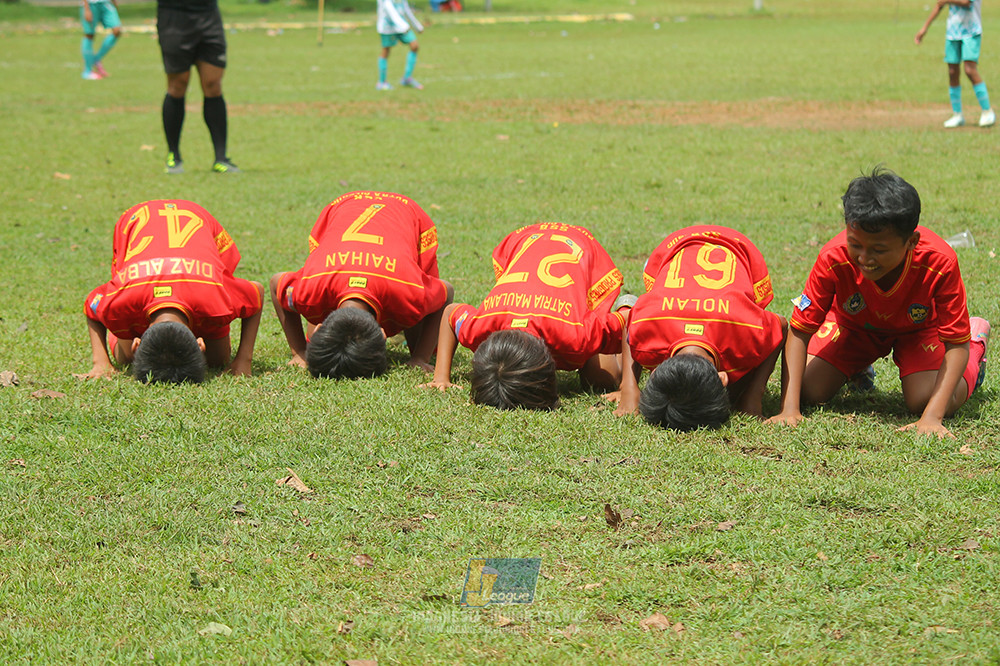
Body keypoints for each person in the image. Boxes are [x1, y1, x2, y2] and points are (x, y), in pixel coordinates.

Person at [767, 167, 991, 438]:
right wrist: (789, 409)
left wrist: (932, 417)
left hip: (919, 330)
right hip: (853, 328)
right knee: (808, 389)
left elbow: (955, 342)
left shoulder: (939, 261)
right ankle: (857, 369)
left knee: (923, 398)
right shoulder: (832, 257)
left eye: (879, 250)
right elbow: (800, 330)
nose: (864, 258)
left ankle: (976, 343)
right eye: (855, 245)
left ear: (911, 242)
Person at [421, 223, 631, 411]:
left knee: (603, 379)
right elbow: (450, 313)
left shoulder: (576, 335)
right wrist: (441, 377)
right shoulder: (482, 327)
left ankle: (628, 301)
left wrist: (626, 388)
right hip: (525, 239)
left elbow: (629, 321)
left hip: (579, 245)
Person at [608, 226, 787, 431]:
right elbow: (632, 321)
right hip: (677, 248)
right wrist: (628, 388)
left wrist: (752, 395)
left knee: (740, 384)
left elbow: (781, 326)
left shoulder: (746, 327)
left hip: (739, 249)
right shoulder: (649, 323)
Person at [270, 191, 453, 379]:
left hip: (406, 211)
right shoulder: (309, 289)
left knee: (418, 322)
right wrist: (300, 352)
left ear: (383, 334)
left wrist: (420, 356)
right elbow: (277, 284)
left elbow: (446, 292)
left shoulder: (409, 293)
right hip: (343, 207)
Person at [79, 199, 265, 383]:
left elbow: (257, 291)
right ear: (200, 343)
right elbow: (91, 305)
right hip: (138, 225)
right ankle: (126, 336)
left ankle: (131, 335)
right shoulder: (121, 301)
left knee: (218, 359)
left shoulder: (217, 298)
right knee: (128, 357)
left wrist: (244, 360)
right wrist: (101, 362)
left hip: (194, 221)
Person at [157, 0, 238, 174]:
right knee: (177, 85)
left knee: (213, 84)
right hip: (174, 16)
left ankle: (221, 158)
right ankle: (174, 156)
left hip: (208, 14)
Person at [915, 0, 996, 128]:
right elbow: (939, 4)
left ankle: (987, 111)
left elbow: (966, 2)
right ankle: (957, 114)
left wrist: (946, 0)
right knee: (952, 72)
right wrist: (924, 28)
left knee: (970, 70)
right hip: (953, 32)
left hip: (971, 31)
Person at [376, 0, 424, 90]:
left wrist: (417, 26)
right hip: (387, 26)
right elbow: (389, 8)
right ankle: (382, 82)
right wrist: (403, 26)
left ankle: (407, 78)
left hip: (402, 26)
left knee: (415, 46)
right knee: (386, 51)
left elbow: (406, 9)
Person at [80, 0, 121, 80]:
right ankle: (87, 71)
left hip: (106, 3)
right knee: (89, 34)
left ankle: (96, 59)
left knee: (117, 30)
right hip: (91, 4)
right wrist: (86, 9)